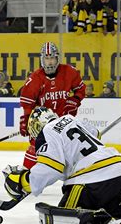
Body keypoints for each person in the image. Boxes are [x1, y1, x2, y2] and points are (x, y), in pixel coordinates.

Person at [3, 107, 121, 224]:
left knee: (66, 220)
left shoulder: (46, 132)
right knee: (100, 207)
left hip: (93, 180)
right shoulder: (71, 118)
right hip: (119, 173)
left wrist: (24, 181)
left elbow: (50, 168)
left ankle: (97, 223)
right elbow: (96, 134)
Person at [19, 41, 85, 169]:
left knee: (71, 150)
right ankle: (25, 176)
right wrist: (25, 120)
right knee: (35, 146)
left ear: (57, 58)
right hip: (43, 124)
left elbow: (81, 89)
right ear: (42, 59)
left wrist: (74, 101)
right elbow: (28, 105)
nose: (50, 62)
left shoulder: (69, 72)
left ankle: (75, 179)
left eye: (52, 58)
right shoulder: (35, 79)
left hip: (64, 121)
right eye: (47, 58)